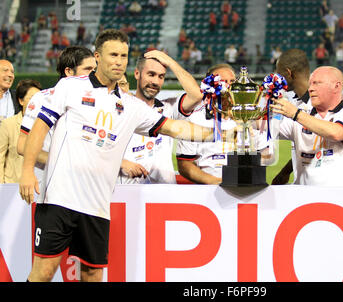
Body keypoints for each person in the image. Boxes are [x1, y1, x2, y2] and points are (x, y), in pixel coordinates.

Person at [19, 29, 234, 282]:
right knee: (44, 272)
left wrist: (221, 133)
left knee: (92, 273)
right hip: (58, 198)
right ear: (98, 57)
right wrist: (26, 171)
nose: (119, 61)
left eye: (123, 55)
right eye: (113, 55)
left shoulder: (132, 107)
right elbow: (40, 128)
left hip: (97, 206)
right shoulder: (70, 87)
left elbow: (177, 128)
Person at [271, 66, 343, 186]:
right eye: (310, 84)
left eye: (317, 83)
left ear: (336, 86)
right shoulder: (302, 115)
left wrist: (295, 114)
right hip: (308, 200)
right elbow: (266, 128)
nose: (310, 89)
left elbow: (336, 133)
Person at [118, 50, 204, 184]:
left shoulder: (168, 108)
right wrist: (121, 162)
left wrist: (169, 61)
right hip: (128, 195)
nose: (155, 82)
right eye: (151, 74)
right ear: (137, 73)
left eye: (161, 76)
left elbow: (197, 95)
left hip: (164, 196)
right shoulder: (120, 109)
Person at [17, 46, 97, 190]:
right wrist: (61, 163)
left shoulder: (95, 102)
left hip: (83, 187)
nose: (93, 75)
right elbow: (22, 145)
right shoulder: (42, 98)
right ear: (69, 72)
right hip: (48, 186)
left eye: (94, 70)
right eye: (88, 69)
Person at [176, 64, 239, 184]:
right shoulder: (193, 119)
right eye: (223, 81)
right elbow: (184, 164)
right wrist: (216, 182)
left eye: (232, 81)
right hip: (207, 191)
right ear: (210, 86)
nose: (229, 86)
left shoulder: (244, 118)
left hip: (243, 189)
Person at [270, 48, 311, 185]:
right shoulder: (294, 101)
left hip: (318, 188)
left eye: (279, 73)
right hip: (300, 184)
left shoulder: (318, 104)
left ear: (288, 73)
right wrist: (286, 171)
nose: (277, 78)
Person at [0, 80, 41, 183]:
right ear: (21, 101)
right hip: (13, 188)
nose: (36, 103)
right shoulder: (8, 124)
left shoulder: (46, 126)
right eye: (32, 98)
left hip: (39, 189)